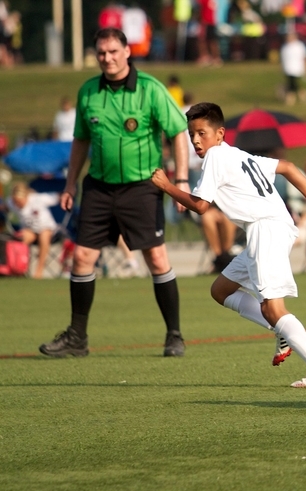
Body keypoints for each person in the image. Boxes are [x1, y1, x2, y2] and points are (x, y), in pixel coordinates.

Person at [151, 101, 306, 387]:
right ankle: (280, 331)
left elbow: (202, 206)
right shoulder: (238, 155)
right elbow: (288, 167)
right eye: (192, 134)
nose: (195, 140)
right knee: (221, 290)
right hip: (270, 228)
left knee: (273, 308)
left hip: (265, 229)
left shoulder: (215, 157)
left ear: (220, 134)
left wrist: (167, 187)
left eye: (202, 133)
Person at [39, 28, 191, 359]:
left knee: (156, 258)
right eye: (101, 53)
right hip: (99, 186)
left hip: (142, 186)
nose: (107, 58)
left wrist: (181, 181)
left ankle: (174, 335)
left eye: (113, 51)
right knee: (81, 258)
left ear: (127, 52)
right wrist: (70, 183)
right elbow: (80, 140)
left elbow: (179, 132)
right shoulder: (89, 92)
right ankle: (77, 337)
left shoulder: (151, 89)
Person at [7, 183, 58, 279]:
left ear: (25, 197)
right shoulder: (11, 202)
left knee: (44, 235)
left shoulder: (37, 199)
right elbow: (5, 207)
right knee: (19, 239)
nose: (17, 204)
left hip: (47, 229)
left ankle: (39, 272)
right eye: (15, 202)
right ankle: (18, 269)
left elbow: (57, 197)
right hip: (30, 231)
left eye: (19, 201)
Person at [280, 30, 306, 106]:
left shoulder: (299, 46)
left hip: (297, 68)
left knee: (292, 84)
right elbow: (283, 59)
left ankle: (291, 99)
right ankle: (301, 96)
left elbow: (304, 58)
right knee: (292, 84)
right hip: (288, 68)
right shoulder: (285, 47)